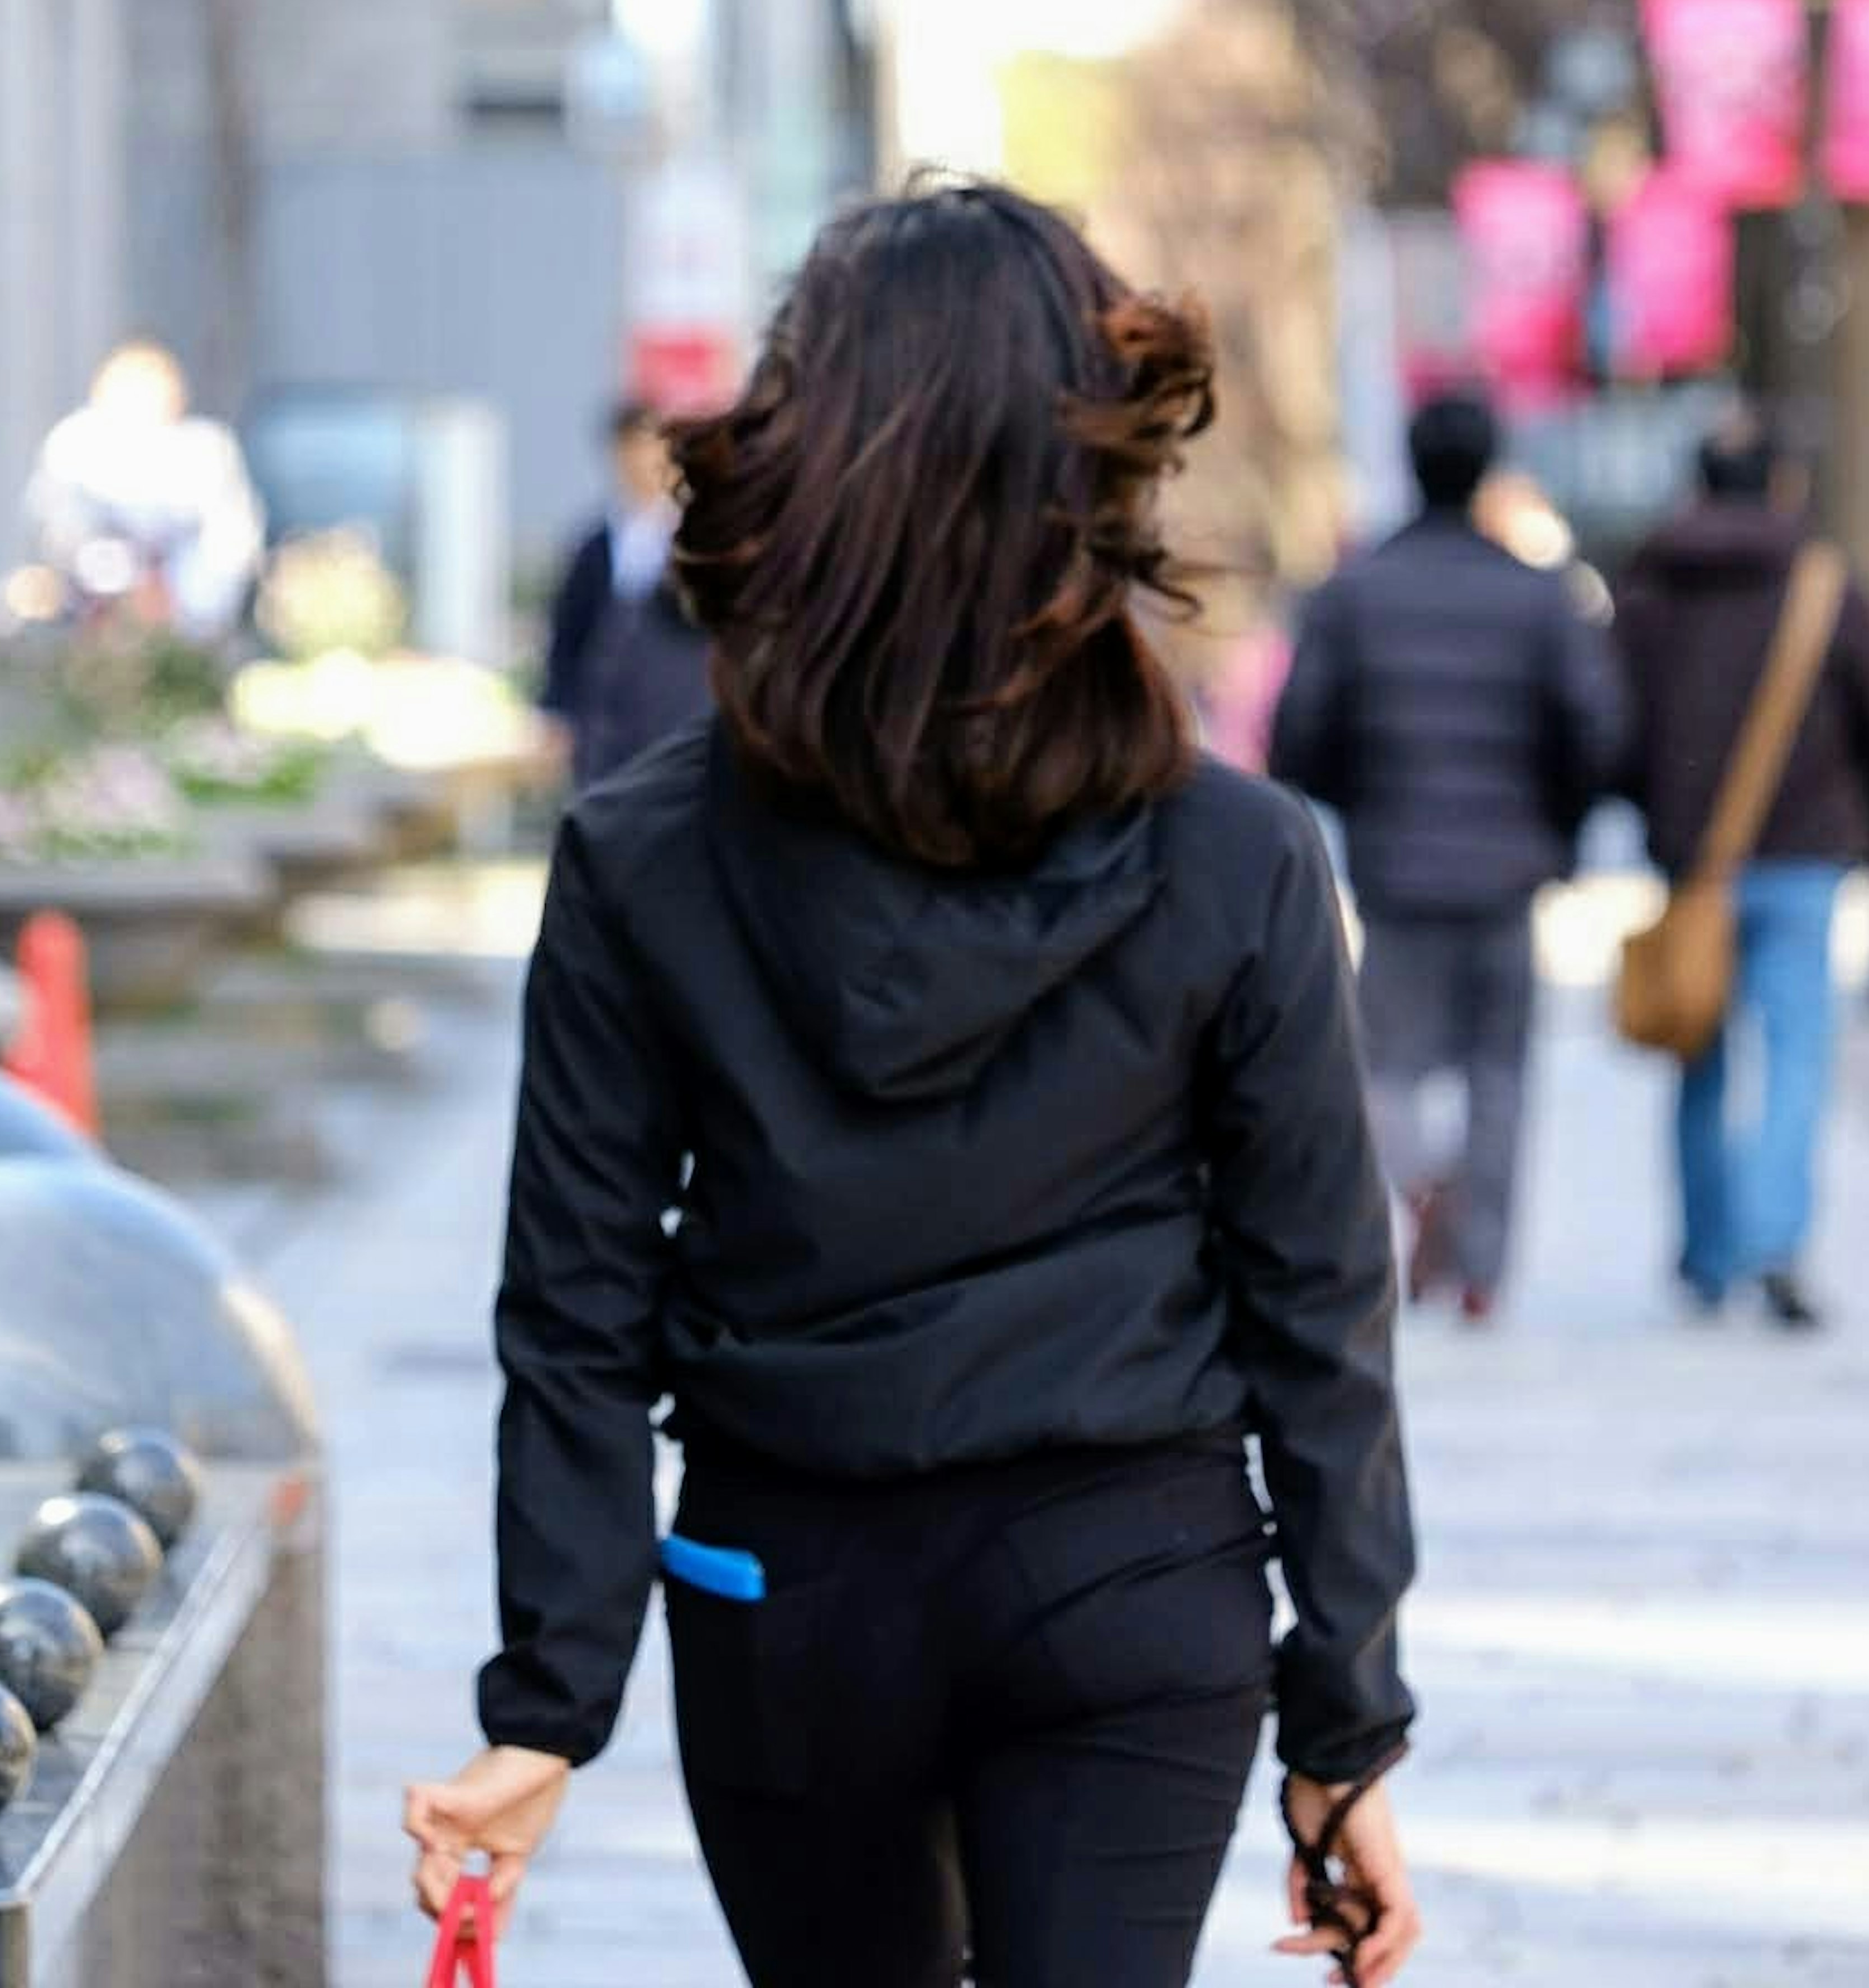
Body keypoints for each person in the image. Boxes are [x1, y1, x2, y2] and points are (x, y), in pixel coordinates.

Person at [403, 182, 1421, 1988]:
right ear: (1094, 471)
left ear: (807, 451)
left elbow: (576, 1308)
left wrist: (547, 1703)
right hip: (1131, 1578)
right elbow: (1318, 1304)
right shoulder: (1241, 858)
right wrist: (1343, 1724)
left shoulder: (643, 855)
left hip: (787, 1588)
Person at [1268, 390, 1624, 1323]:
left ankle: (1422, 1190)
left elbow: (1295, 736)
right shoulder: (1538, 595)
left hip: (1395, 870)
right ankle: (1482, 1271)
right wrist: (1555, 822)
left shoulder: (1354, 592)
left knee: (1384, 1067)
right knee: (1499, 1073)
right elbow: (1595, 731)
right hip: (1509, 873)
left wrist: (1364, 800)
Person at [1614, 413, 1869, 1328]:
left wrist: (1656, 812)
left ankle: (1708, 1252)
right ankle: (1774, 1242)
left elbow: (1607, 721)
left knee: (1698, 1050)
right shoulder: (1825, 589)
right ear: (1781, 484)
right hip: (1803, 856)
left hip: (1694, 862)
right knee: (1795, 1057)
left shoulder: (1649, 590)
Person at [25, 340, 263, 637]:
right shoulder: (74, 446)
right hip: (95, 605)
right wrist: (122, 583)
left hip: (189, 610)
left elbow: (233, 537)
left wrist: (187, 601)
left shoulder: (207, 448)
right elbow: (60, 528)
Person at [541, 397, 712, 787]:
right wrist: (557, 710)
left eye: (651, 451)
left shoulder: (699, 540)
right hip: (604, 727)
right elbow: (568, 634)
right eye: (630, 452)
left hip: (682, 718)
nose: (640, 465)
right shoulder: (594, 547)